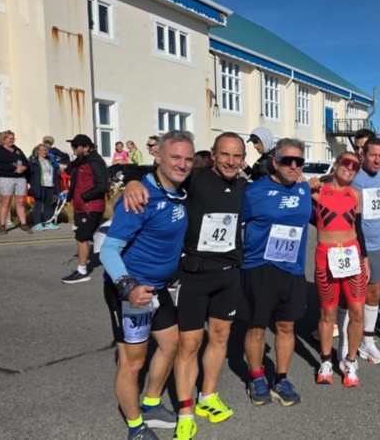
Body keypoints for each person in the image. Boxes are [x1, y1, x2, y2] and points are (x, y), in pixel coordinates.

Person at [123, 132, 248, 439]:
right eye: (225, 155)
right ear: (214, 155)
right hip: (194, 275)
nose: (231, 161)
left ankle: (207, 396)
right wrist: (133, 180)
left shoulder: (247, 186)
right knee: (188, 344)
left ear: (244, 159)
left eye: (237, 156)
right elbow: (163, 172)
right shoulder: (196, 178)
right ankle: (186, 410)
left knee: (219, 338)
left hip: (229, 274)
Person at [99, 130, 195, 440]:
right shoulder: (139, 198)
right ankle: (135, 427)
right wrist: (128, 287)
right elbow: (108, 249)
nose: (182, 164)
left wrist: (132, 176)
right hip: (131, 291)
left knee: (170, 344)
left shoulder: (181, 189)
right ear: (158, 156)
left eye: (188, 159)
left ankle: (151, 404)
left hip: (158, 289)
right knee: (133, 359)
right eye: (175, 157)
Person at [241, 138, 311, 407]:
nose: (293, 166)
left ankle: (281, 378)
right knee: (257, 326)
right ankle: (257, 376)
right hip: (259, 267)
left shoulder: (304, 189)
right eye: (287, 160)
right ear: (275, 162)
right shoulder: (254, 191)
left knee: (286, 326)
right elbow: (234, 220)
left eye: (299, 161)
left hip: (292, 269)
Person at [312, 151, 369, 387]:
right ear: (336, 164)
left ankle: (351, 360)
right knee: (328, 313)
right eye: (346, 163)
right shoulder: (316, 191)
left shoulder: (356, 195)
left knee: (357, 311)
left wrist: (365, 258)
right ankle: (326, 361)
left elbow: (358, 227)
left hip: (351, 255)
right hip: (326, 256)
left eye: (355, 166)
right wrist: (311, 181)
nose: (350, 168)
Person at [349, 134, 380, 364]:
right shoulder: (354, 174)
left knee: (374, 294)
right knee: (352, 298)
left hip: (378, 245)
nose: (377, 160)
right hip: (355, 244)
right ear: (363, 154)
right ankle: (347, 346)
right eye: (373, 155)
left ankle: (368, 342)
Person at [61, 134, 109, 283]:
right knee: (88, 236)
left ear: (87, 147)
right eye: (72, 146)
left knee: (81, 238)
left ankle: (82, 272)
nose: (73, 149)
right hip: (81, 206)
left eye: (76, 146)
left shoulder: (95, 162)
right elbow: (71, 173)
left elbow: (102, 185)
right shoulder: (81, 161)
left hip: (91, 206)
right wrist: (68, 194)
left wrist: (85, 196)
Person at [0, 130, 32, 234]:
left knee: (20, 202)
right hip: (6, 178)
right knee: (6, 202)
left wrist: (23, 168)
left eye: (13, 138)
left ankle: (24, 224)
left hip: (20, 179)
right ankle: (2, 225)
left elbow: (26, 161)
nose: (12, 140)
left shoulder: (17, 150)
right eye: (10, 138)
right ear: (3, 139)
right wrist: (13, 168)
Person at [28, 142, 62, 231]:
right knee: (38, 205)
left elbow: (54, 174)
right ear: (38, 151)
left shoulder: (49, 161)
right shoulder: (34, 161)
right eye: (42, 150)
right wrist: (32, 184)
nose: (44, 151)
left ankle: (49, 222)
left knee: (48, 205)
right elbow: (29, 174)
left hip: (50, 185)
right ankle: (38, 224)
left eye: (45, 150)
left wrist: (56, 186)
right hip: (40, 186)